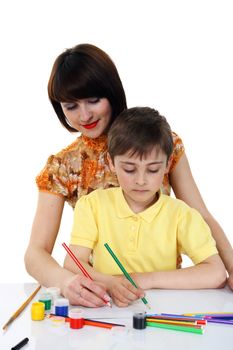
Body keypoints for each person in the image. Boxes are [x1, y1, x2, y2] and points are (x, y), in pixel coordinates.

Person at [24, 44, 233, 307]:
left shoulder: (161, 141)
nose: (85, 115)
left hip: (163, 293)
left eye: (93, 100)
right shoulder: (64, 165)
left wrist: (231, 266)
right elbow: (36, 252)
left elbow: (199, 214)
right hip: (104, 295)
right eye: (71, 106)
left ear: (111, 93)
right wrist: (66, 282)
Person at [64, 107, 226, 307]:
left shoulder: (181, 214)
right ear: (111, 162)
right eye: (129, 169)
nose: (141, 180)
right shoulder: (92, 205)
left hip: (162, 312)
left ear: (167, 165)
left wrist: (145, 279)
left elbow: (216, 273)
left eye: (153, 169)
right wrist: (111, 283)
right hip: (108, 308)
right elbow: (73, 262)